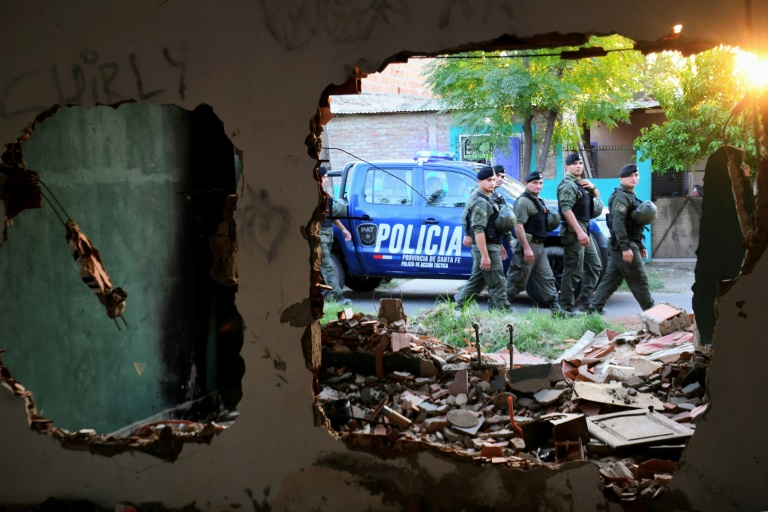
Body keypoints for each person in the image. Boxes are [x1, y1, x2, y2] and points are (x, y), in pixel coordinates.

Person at [585, 164, 655, 314]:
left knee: (612, 280)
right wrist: (626, 247)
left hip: (625, 244)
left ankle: (594, 308)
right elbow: (618, 224)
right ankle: (651, 312)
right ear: (621, 178)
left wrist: (640, 245)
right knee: (639, 279)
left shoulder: (630, 195)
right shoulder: (621, 197)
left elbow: (632, 225)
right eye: (630, 176)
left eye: (636, 175)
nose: (634, 178)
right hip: (624, 245)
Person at [506, 171, 566, 315]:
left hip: (539, 246)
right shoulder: (523, 202)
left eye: (540, 183)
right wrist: (526, 248)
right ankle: (500, 305)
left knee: (547, 278)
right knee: (517, 279)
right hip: (528, 246)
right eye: (535, 183)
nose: (538, 186)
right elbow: (518, 226)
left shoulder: (538, 200)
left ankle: (556, 310)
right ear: (527, 184)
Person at [453, 166, 513, 310]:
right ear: (479, 181)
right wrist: (485, 256)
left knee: (478, 282)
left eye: (493, 180)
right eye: (488, 180)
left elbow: (493, 226)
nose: (492, 183)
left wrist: (500, 245)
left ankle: (458, 307)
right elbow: (478, 230)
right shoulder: (481, 201)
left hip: (492, 244)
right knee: (498, 283)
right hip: (487, 247)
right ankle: (504, 312)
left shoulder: (490, 197)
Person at [557, 152, 602, 313]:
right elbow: (566, 209)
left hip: (584, 227)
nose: (578, 166)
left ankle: (586, 302)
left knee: (595, 265)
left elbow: (596, 202)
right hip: (574, 230)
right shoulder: (568, 185)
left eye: (580, 163)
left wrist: (593, 188)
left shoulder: (580, 184)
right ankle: (565, 308)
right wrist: (579, 232)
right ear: (567, 166)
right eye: (574, 164)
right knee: (573, 270)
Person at [318, 167, 352, 305]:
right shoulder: (313, 197)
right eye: (324, 177)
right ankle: (338, 297)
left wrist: (344, 230)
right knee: (327, 266)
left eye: (327, 177)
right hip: (318, 237)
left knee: (322, 267)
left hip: (327, 236)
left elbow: (331, 215)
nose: (326, 180)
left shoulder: (325, 196)